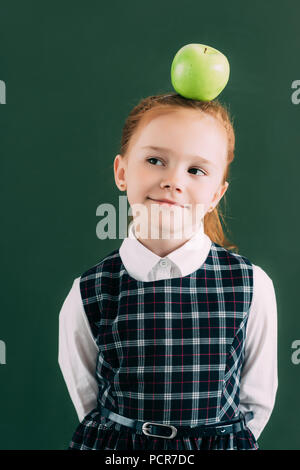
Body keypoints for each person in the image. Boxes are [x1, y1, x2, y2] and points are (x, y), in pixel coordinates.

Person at [58, 93, 278, 450]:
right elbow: (89, 403)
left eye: (196, 170)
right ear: (122, 172)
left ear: (216, 194)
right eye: (155, 160)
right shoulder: (89, 291)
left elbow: (256, 404)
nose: (173, 181)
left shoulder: (251, 286)